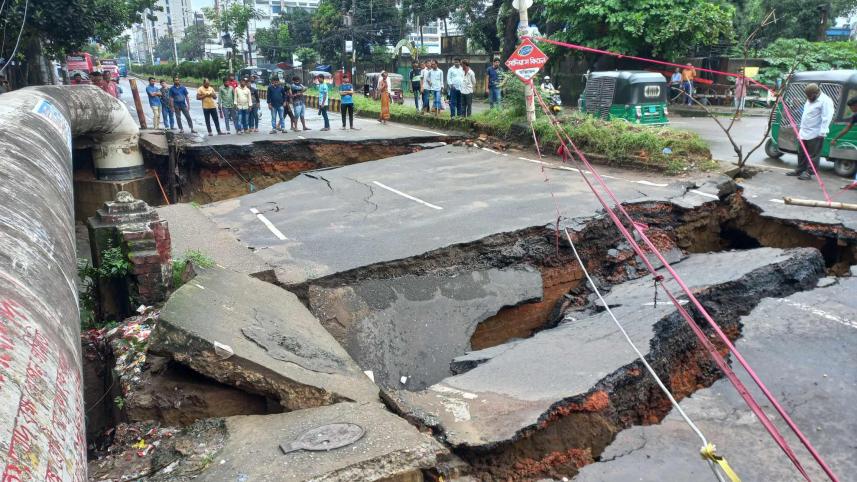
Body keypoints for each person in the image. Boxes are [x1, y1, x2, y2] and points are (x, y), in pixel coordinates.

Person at [786, 83, 833, 181]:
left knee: (813, 155)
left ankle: (809, 172)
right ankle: (800, 169)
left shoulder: (825, 101)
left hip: (816, 133)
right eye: (807, 96)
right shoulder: (810, 99)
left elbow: (827, 118)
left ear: (816, 93)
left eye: (810, 96)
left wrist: (822, 133)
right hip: (804, 132)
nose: (808, 98)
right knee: (802, 153)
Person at [830, 97, 857, 189]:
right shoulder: (855, 116)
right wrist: (835, 138)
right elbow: (846, 129)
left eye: (851, 107)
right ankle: (855, 183)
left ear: (855, 105)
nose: (851, 109)